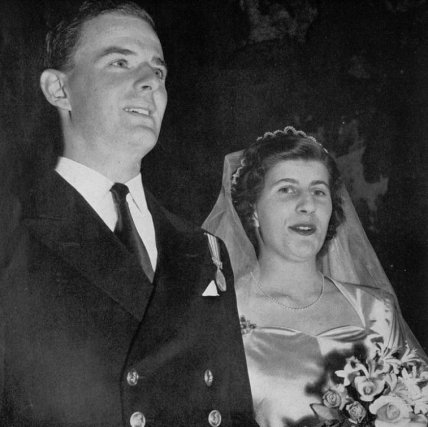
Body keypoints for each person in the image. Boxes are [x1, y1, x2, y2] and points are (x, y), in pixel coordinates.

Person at [0, 1, 258, 426]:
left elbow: (234, 414)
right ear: (59, 89)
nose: (150, 82)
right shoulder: (13, 228)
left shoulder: (204, 249)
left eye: (158, 71)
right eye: (120, 62)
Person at [203, 126, 427, 427]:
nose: (308, 205)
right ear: (253, 208)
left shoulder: (376, 309)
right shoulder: (217, 312)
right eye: (287, 189)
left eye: (319, 191)